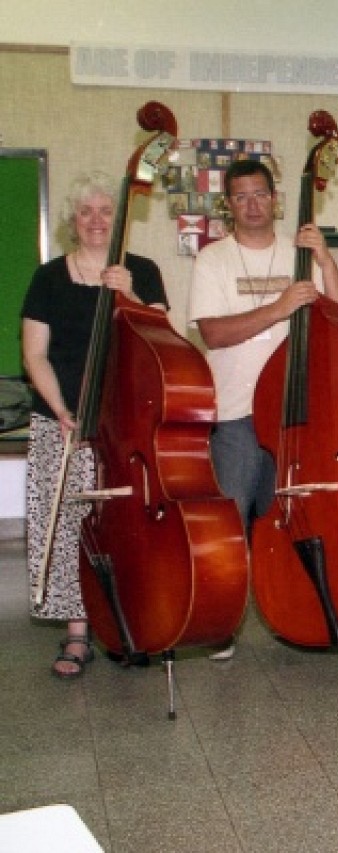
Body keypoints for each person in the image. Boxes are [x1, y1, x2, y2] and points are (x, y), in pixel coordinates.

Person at [188, 158, 338, 660]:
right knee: (233, 522)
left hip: (294, 415)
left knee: (295, 518)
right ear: (229, 204)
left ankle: (300, 611)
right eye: (240, 197)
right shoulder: (213, 260)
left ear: (276, 198)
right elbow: (213, 332)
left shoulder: (298, 254)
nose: (252, 204)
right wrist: (279, 308)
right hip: (237, 414)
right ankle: (222, 624)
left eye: (260, 194)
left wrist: (325, 260)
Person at [21, 172, 169, 678]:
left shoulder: (142, 271)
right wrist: (61, 408)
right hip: (62, 421)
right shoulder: (48, 277)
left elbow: (162, 338)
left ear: (122, 219)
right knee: (65, 528)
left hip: (126, 426)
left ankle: (132, 624)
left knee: (128, 528)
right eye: (86, 212)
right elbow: (34, 354)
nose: (97, 221)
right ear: (72, 220)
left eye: (106, 211)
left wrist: (129, 295)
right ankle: (79, 635)